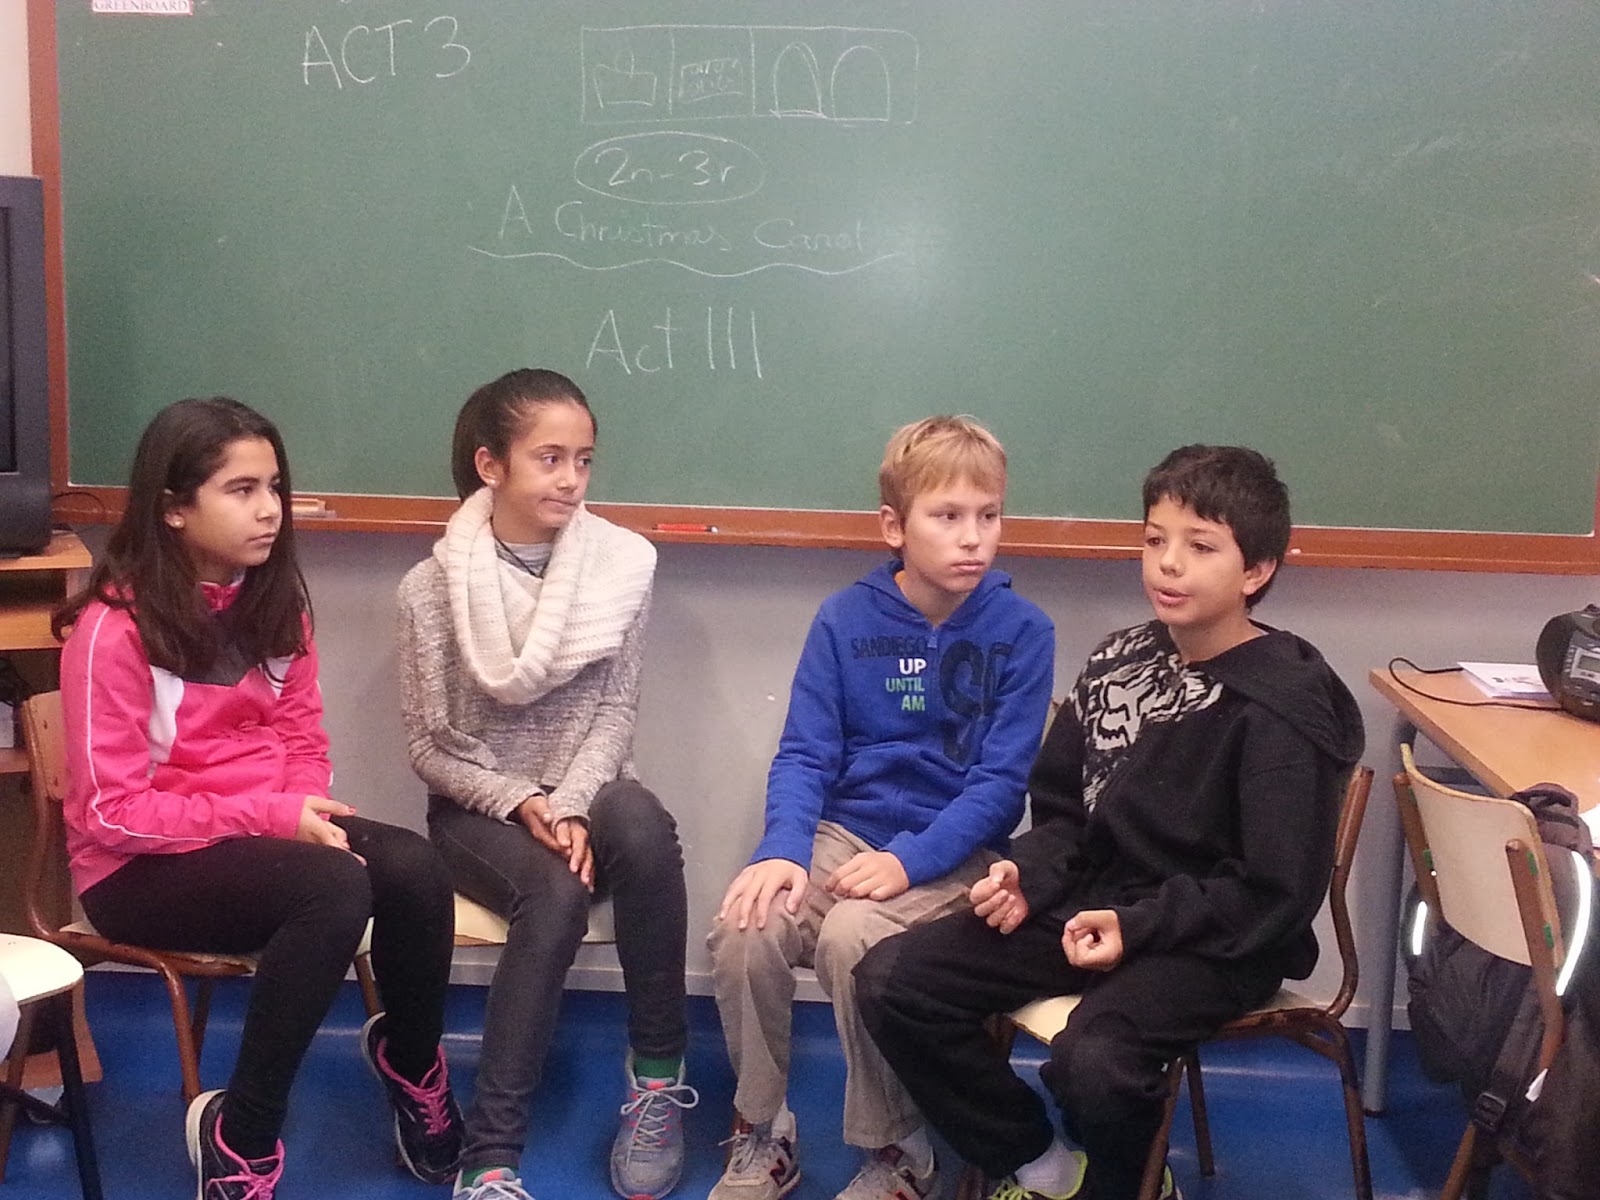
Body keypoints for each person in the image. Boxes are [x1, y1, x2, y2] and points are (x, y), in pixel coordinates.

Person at [854, 444, 1366, 1200]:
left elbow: (1272, 891)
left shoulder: (1281, 709)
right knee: (895, 980)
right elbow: (1066, 814)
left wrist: (1138, 926)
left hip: (1216, 940)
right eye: (1155, 539)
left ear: (1256, 571)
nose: (1169, 564)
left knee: (1096, 1064)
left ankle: (1132, 1185)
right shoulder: (1120, 660)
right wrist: (1029, 875)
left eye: (1201, 547)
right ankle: (1040, 1164)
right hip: (1095, 905)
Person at [55, 397, 462, 1200]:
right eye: (241, 490)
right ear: (174, 508)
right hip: (134, 871)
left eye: (274, 486)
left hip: (256, 843)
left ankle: (412, 1063)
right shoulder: (114, 630)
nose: (270, 508)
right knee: (334, 888)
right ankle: (240, 1137)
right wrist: (274, 819)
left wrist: (301, 811)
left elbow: (303, 739)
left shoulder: (276, 607)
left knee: (414, 868)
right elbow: (109, 813)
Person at [706, 416, 1055, 1200]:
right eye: (947, 516)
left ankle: (898, 1150)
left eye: (989, 515)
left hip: (957, 852)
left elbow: (999, 788)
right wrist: (783, 848)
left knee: (853, 937)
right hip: (843, 834)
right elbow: (805, 753)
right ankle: (762, 1128)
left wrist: (908, 861)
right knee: (746, 927)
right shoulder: (844, 619)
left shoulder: (1024, 632)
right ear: (895, 527)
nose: (973, 537)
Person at [397, 368, 694, 1200]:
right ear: (491, 465)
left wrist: (568, 804)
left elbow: (616, 712)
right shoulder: (428, 591)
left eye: (584, 460)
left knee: (643, 824)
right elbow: (428, 748)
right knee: (556, 893)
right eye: (550, 458)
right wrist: (522, 801)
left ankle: (658, 1080)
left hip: (586, 790)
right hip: (479, 807)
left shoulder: (621, 568)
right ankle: (490, 1160)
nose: (571, 479)